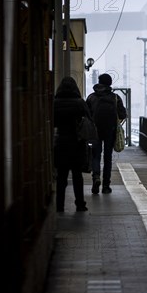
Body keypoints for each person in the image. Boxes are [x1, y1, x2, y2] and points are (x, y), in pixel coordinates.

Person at [53, 77, 91, 212]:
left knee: (61, 176)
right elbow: (89, 120)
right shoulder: (80, 103)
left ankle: (59, 205)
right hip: (77, 143)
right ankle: (80, 204)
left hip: (61, 143)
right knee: (77, 175)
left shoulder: (54, 103)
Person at [87, 73, 127, 194]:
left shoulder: (91, 97)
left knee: (96, 156)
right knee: (108, 158)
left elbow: (86, 114)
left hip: (95, 131)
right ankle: (106, 186)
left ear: (99, 82)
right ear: (110, 83)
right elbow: (123, 114)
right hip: (110, 131)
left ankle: (96, 178)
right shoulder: (115, 97)